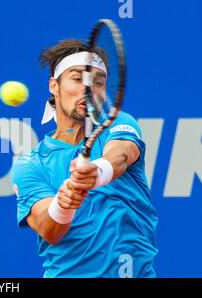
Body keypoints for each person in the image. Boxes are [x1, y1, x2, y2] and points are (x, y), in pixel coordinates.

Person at [10, 39, 158, 278]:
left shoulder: (117, 123)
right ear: (54, 86)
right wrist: (64, 204)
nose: (87, 89)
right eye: (78, 79)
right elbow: (49, 230)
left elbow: (120, 154)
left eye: (97, 82)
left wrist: (97, 172)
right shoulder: (29, 165)